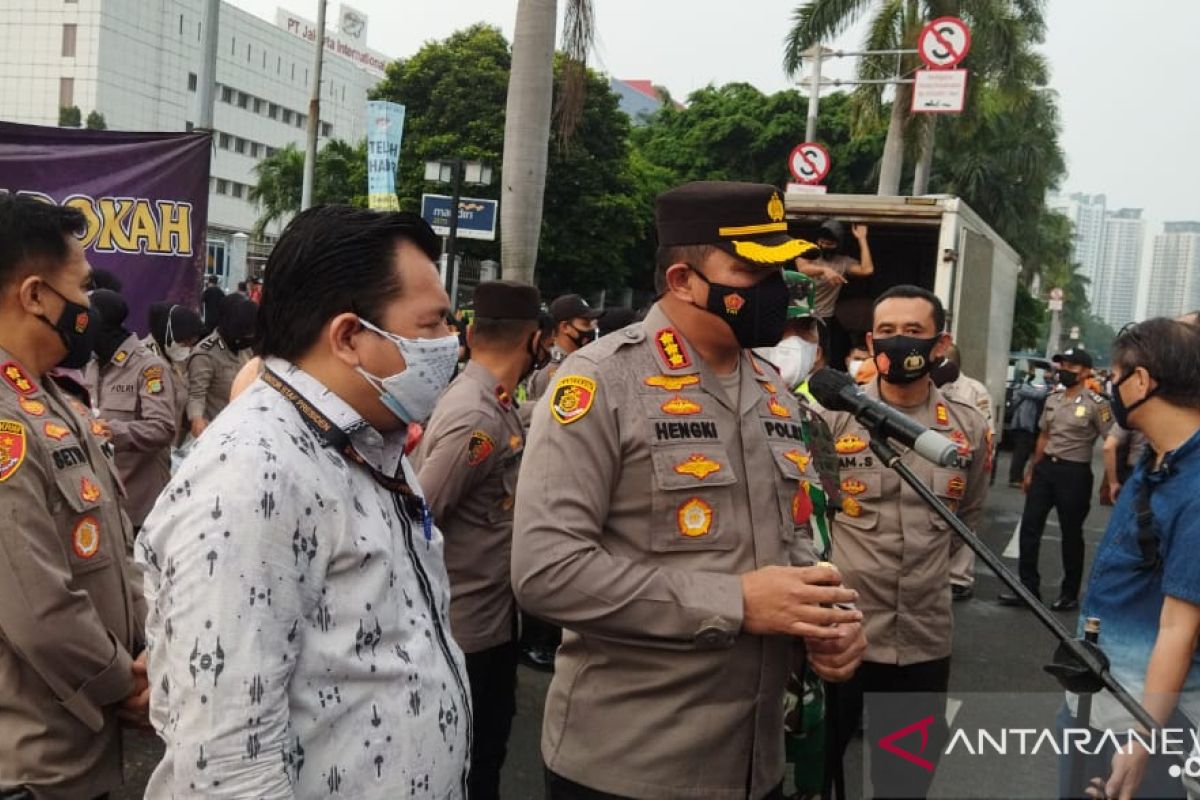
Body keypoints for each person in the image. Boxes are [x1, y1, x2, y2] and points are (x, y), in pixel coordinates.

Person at [512, 181, 866, 799]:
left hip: (756, 764)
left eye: (781, 268)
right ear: (682, 279)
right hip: (633, 766)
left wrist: (825, 624)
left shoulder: (775, 389)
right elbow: (546, 572)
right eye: (753, 270)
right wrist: (736, 602)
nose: (776, 289)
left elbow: (793, 549)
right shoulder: (600, 382)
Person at [137, 205, 470, 797]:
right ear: (347, 336)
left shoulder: (365, 442)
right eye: (433, 325)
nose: (453, 344)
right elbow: (227, 766)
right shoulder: (255, 474)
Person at [0, 193, 147, 799]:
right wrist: (127, 684)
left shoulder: (55, 402)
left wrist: (146, 649)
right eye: (82, 288)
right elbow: (38, 607)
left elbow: (113, 551)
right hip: (35, 765)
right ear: (35, 295)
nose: (91, 306)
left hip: (82, 747)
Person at [822, 285, 990, 799]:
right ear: (872, 343)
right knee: (816, 774)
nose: (899, 344)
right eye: (888, 333)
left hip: (922, 641)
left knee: (904, 785)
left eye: (913, 333)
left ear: (940, 345)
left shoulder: (966, 431)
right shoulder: (832, 420)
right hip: (839, 636)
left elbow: (971, 511)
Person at [1053, 319, 1200, 800]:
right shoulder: (1160, 458)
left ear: (1142, 381)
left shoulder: (1195, 487)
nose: (1108, 386)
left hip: (1140, 718)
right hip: (1095, 700)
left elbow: (1181, 628)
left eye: (1115, 375)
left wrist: (1142, 739)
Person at [412, 280, 545, 800]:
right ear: (535, 342)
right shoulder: (479, 418)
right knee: (471, 772)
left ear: (471, 333)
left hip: (486, 623)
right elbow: (420, 514)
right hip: (467, 631)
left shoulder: (492, 400)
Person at [1000, 347, 1113, 611]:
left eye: (1072, 367)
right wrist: (1031, 470)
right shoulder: (1053, 398)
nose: (1065, 371)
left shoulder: (1097, 404)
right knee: (1030, 528)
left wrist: (1110, 480)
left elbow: (1111, 440)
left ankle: (1069, 593)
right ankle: (1027, 589)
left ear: (1086, 372)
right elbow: (1044, 437)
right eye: (1062, 365)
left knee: (1071, 533)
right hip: (1045, 471)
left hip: (1074, 473)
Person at [85, 289, 177, 531]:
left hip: (140, 505)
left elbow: (163, 428)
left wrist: (110, 431)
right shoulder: (92, 365)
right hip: (104, 500)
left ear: (99, 326)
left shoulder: (149, 368)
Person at [932, 343, 995, 601]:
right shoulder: (928, 382)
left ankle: (960, 577)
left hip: (962, 456)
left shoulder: (974, 390)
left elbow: (985, 429)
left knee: (964, 515)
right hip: (931, 454)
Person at [185, 293, 254, 438]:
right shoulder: (205, 354)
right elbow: (196, 394)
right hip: (216, 433)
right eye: (243, 333)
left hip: (244, 428)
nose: (247, 337)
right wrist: (196, 419)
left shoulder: (246, 348)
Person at [524, 293, 602, 401]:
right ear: (565, 327)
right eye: (585, 324)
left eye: (591, 324)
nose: (591, 330)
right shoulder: (552, 370)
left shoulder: (577, 362)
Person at [794, 219, 874, 325]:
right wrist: (824, 270)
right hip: (801, 314)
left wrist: (862, 238)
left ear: (838, 244)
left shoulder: (843, 262)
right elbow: (803, 269)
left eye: (829, 244)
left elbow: (867, 270)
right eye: (822, 242)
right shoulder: (807, 253)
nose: (824, 246)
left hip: (823, 317)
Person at [1007, 370, 1049, 487]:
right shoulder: (1022, 387)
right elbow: (1039, 394)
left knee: (1024, 453)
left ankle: (1018, 477)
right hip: (1022, 424)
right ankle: (1014, 478)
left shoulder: (1029, 387)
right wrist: (1047, 384)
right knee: (1021, 453)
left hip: (1028, 425)